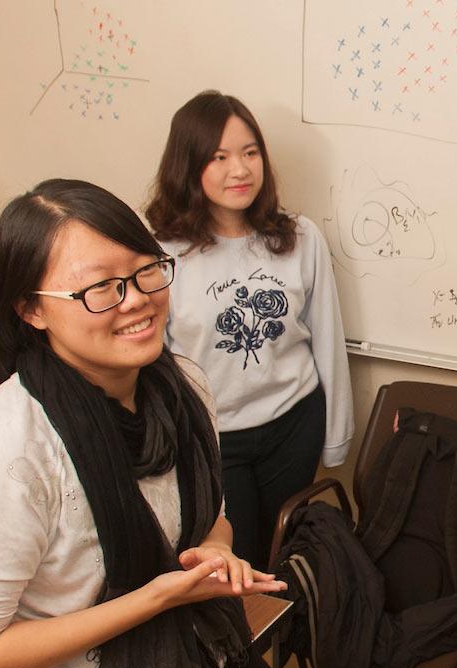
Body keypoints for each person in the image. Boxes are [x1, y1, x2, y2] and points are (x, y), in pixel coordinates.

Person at [0, 179, 334, 668]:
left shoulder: (183, 387)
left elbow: (209, 519)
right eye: (99, 288)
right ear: (31, 309)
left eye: (146, 272)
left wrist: (216, 552)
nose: (136, 299)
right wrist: (157, 598)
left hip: (208, 658)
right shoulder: (6, 454)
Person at [144, 91, 352, 565]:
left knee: (290, 554)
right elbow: (155, 364)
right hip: (215, 440)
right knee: (240, 564)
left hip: (292, 424)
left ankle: (293, 639)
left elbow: (327, 340)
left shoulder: (298, 237)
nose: (239, 170)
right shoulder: (161, 252)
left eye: (249, 152)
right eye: (219, 157)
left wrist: (336, 437)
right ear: (188, 164)